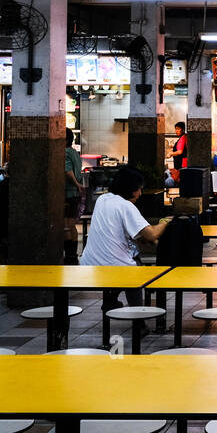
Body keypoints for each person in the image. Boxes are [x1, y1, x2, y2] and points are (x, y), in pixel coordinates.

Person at [81, 166, 168, 307]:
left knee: (126, 256)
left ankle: (110, 300)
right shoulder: (126, 205)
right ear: (130, 188)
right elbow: (151, 234)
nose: (140, 193)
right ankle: (138, 317)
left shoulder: (102, 199)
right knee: (134, 265)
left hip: (89, 263)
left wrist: (141, 238)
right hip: (115, 268)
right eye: (139, 189)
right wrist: (166, 222)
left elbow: (116, 231)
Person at [63, 129, 86, 264]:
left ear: (65, 140)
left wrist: (77, 184)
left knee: (66, 225)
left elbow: (68, 172)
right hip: (75, 195)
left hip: (68, 193)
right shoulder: (74, 153)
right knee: (71, 225)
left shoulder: (65, 152)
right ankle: (73, 256)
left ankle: (69, 256)